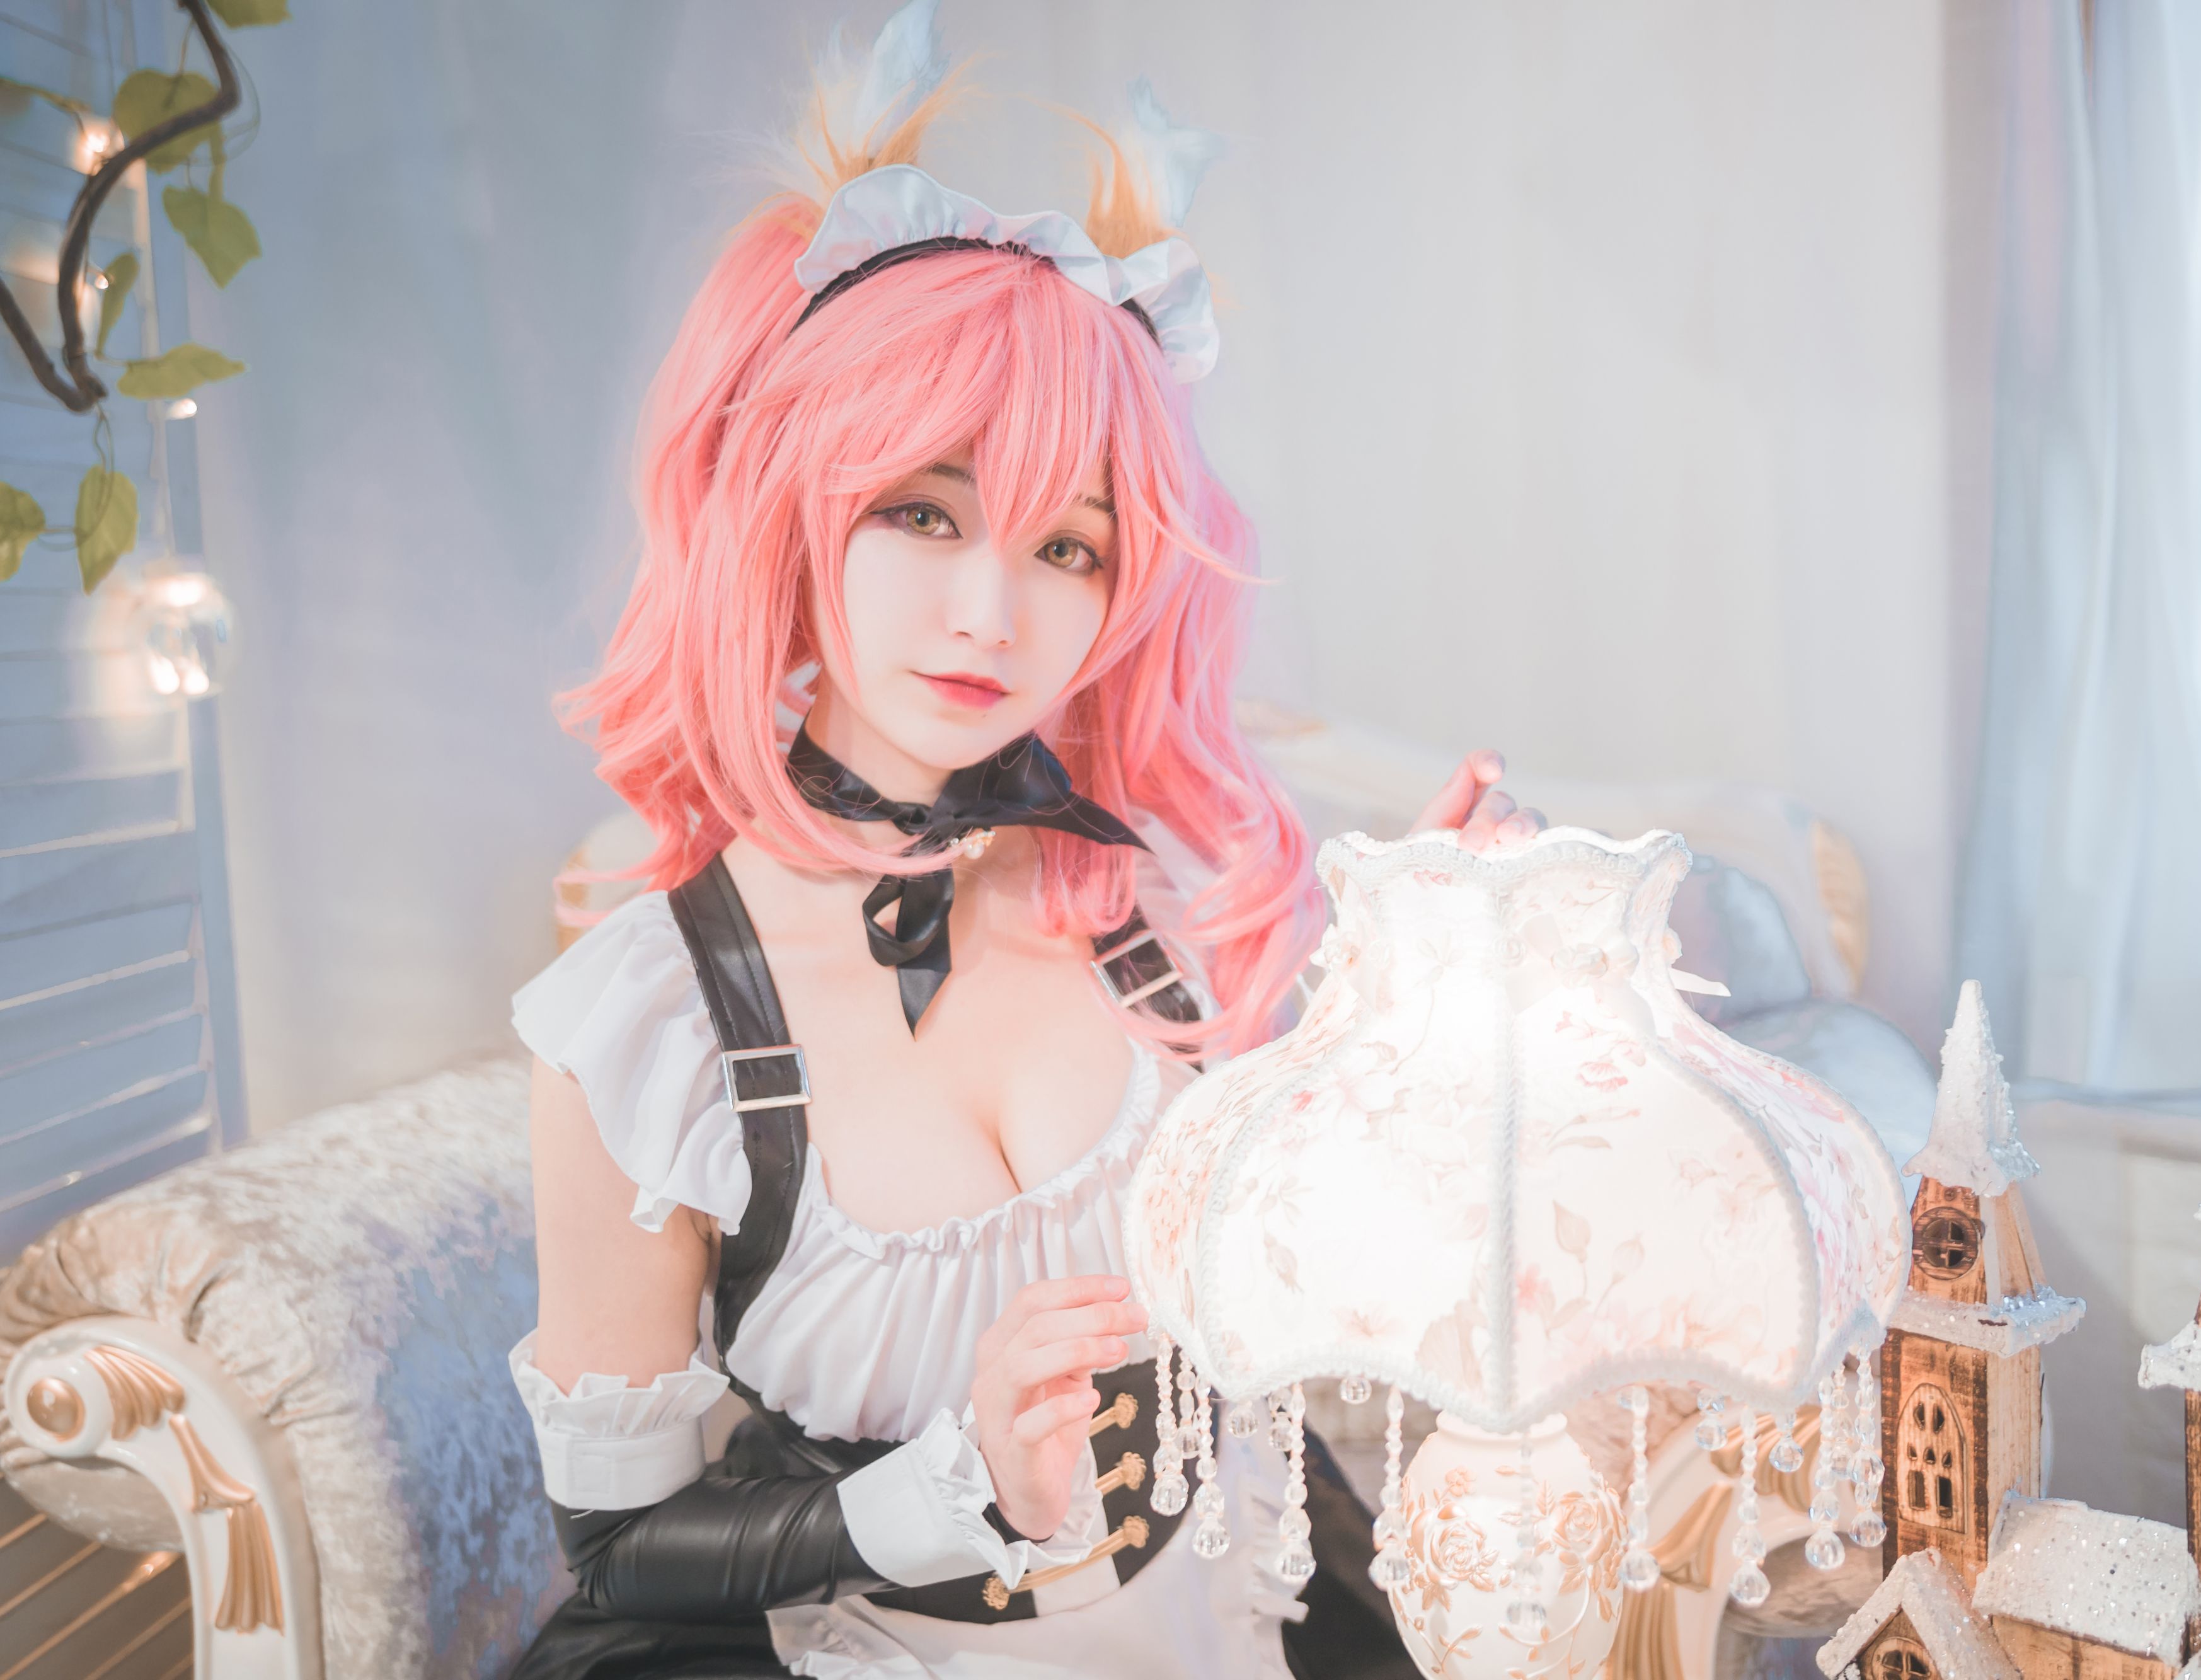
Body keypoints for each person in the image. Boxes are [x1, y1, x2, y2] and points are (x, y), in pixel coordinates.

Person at [508, 8, 1535, 1676]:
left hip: (1214, 1610)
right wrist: (951, 1485)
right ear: (791, 515)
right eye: (923, 511)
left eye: (1069, 545)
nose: (992, 611)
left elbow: (1302, 1241)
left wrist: (1424, 979)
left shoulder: (1160, 897)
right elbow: (622, 1548)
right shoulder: (645, 1026)